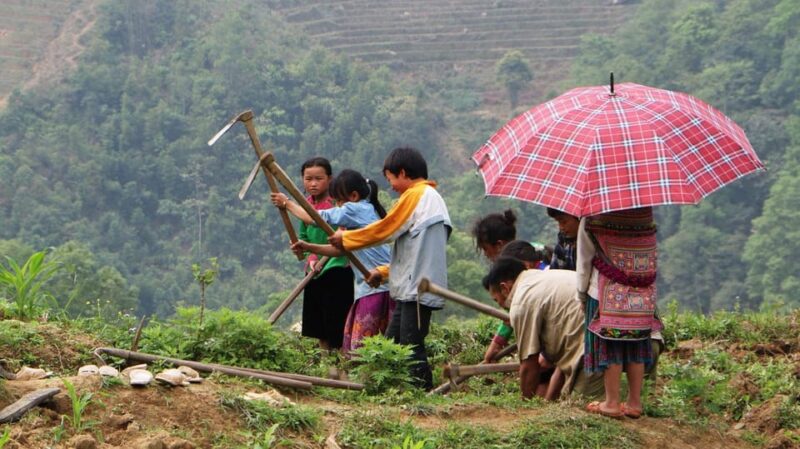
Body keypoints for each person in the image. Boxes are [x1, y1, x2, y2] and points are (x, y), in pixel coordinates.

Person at [328, 147, 451, 390]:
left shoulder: (418, 195)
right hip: (411, 285)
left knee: (410, 344)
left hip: (417, 288)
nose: (391, 186)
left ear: (403, 173)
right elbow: (411, 252)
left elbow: (386, 229)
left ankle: (422, 395)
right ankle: (382, 390)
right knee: (392, 342)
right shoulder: (428, 198)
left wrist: (347, 240)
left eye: (391, 179)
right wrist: (383, 273)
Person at [273, 169, 395, 357]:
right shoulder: (367, 209)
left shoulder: (353, 209)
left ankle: (356, 383)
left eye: (338, 201)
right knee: (379, 344)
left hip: (376, 288)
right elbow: (339, 250)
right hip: (385, 285)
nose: (337, 205)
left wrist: (286, 203)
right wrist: (308, 246)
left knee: (362, 349)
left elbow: (313, 218)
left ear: (353, 196)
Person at [577, 207, 662, 419]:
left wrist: (580, 293)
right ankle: (634, 402)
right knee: (637, 343)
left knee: (611, 344)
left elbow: (584, 259)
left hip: (604, 291)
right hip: (642, 292)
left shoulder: (593, 213)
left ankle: (612, 403)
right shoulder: (645, 212)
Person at [484, 257, 603, 400]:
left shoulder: (521, 301)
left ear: (504, 288)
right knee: (569, 405)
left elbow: (529, 364)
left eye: (497, 300)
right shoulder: (540, 278)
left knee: (580, 411)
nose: (501, 306)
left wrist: (525, 405)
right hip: (606, 333)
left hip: (592, 345)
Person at [281, 157, 354, 351]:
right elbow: (303, 235)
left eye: (318, 178)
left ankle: (340, 369)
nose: (313, 184)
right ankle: (325, 367)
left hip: (337, 268)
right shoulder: (305, 205)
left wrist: (287, 203)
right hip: (314, 271)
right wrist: (310, 256)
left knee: (337, 323)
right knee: (318, 326)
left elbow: (341, 238)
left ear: (329, 179)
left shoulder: (338, 205)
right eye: (308, 179)